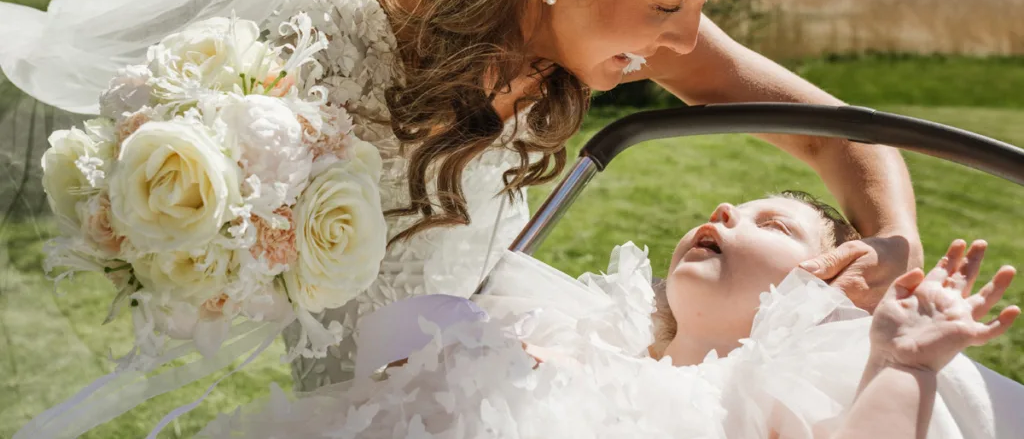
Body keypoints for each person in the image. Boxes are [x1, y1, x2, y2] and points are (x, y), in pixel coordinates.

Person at [0, 0, 918, 400]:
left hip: (511, 384)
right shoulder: (323, 34)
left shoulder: (604, 21)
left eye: (697, 6)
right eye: (672, 2)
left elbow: (836, 132)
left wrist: (895, 247)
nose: (685, 37)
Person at [195, 193, 1022, 438]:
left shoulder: (774, 390)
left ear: (826, 284)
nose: (727, 214)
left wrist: (904, 363)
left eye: (772, 226)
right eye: (724, 210)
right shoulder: (564, 337)